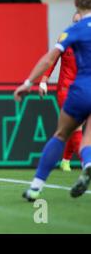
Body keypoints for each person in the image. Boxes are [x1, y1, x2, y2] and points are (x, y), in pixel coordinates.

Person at [14, 0, 91, 200]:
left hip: (80, 90)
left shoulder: (74, 29)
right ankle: (88, 163)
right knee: (88, 140)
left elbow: (49, 60)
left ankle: (36, 187)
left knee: (61, 134)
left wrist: (28, 83)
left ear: (76, 2)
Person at [39, 12, 82, 172]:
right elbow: (52, 61)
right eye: (75, 22)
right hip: (65, 89)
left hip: (82, 90)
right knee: (76, 127)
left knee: (71, 129)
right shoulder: (64, 38)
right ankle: (87, 163)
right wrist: (44, 80)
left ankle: (65, 160)